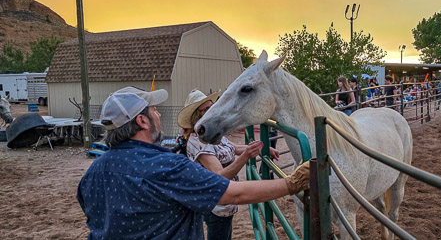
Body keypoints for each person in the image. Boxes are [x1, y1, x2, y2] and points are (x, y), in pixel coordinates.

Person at [77, 86, 310, 239]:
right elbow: (232, 193)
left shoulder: (93, 172)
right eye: (154, 110)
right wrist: (291, 183)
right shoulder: (166, 166)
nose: (158, 115)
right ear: (142, 121)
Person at [176, 89, 280, 240]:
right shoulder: (197, 142)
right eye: (205, 109)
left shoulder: (211, 134)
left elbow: (235, 148)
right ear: (195, 116)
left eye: (211, 107)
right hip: (216, 203)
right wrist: (246, 156)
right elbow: (219, 175)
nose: (210, 111)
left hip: (225, 200)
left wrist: (262, 147)